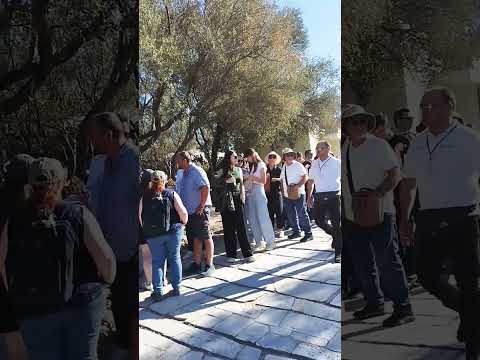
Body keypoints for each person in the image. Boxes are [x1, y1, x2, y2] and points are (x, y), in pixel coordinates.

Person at [1, 157, 116, 360]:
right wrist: (105, 284)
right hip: (81, 306)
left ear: (30, 184)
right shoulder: (78, 213)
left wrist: (17, 297)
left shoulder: (13, 222)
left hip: (34, 310)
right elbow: (107, 262)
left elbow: (2, 265)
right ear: (62, 183)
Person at [399, 87, 480, 358]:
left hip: (464, 216)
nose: (425, 111)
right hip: (429, 218)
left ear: (448, 107)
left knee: (469, 281)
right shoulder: (418, 142)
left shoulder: (470, 139)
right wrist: (404, 218)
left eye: (431, 106)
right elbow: (408, 184)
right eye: (423, 106)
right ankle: (471, 314)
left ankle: (473, 342)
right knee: (427, 276)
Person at [341, 104, 414, 327]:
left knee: (388, 262)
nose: (360, 125)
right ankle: (375, 302)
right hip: (353, 214)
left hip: (381, 212)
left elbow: (396, 174)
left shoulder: (378, 145)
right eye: (354, 122)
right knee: (363, 262)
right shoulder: (345, 147)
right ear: (345, 127)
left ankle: (403, 307)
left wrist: (378, 193)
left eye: (363, 121)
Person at [84, 112, 140, 360]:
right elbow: (92, 198)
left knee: (131, 306)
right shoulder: (97, 164)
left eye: (94, 137)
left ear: (108, 134)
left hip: (130, 249)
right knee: (118, 301)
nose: (92, 142)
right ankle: (123, 344)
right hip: (106, 249)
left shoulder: (135, 161)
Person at [140, 171, 188, 300]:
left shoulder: (144, 197)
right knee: (174, 257)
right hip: (173, 231)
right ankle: (177, 287)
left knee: (157, 262)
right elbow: (183, 213)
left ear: (151, 180)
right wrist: (183, 223)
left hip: (153, 235)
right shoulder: (171, 194)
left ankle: (158, 291)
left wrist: (147, 230)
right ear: (165, 180)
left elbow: (140, 217)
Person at [175, 151, 215, 276]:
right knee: (196, 238)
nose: (177, 163)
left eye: (179, 160)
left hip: (200, 210)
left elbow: (205, 187)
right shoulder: (183, 173)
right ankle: (197, 264)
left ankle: (209, 265)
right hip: (190, 212)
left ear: (185, 161)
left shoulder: (196, 171)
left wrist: (201, 206)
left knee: (206, 237)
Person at [214, 150, 254, 263]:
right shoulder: (221, 170)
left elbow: (241, 184)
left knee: (241, 227)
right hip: (226, 201)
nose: (237, 159)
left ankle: (247, 253)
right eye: (235, 157)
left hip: (237, 199)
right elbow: (215, 182)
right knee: (228, 228)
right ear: (228, 158)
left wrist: (243, 196)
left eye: (238, 157)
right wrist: (224, 181)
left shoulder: (239, 170)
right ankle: (231, 255)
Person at [307, 141, 341, 263]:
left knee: (336, 223)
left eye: (321, 148)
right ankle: (337, 236)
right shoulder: (314, 163)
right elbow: (310, 181)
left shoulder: (337, 163)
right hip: (319, 196)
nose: (318, 150)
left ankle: (339, 252)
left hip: (334, 195)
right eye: (317, 148)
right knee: (318, 220)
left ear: (328, 149)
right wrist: (309, 196)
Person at [243, 148, 275, 251]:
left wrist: (251, 177)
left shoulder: (261, 165)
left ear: (252, 155)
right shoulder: (251, 166)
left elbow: (263, 181)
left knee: (263, 217)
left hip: (259, 192)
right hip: (250, 193)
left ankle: (270, 242)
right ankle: (259, 242)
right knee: (252, 219)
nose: (247, 159)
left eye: (248, 157)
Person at [280, 148, 313, 242]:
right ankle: (296, 231)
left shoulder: (298, 165)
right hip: (287, 195)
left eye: (291, 155)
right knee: (291, 214)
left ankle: (308, 233)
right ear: (284, 157)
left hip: (299, 193)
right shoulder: (284, 167)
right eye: (287, 155)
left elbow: (305, 177)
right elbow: (282, 180)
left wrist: (297, 186)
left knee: (302, 213)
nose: (290, 156)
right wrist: (283, 192)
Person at [265, 151, 284, 238]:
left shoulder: (279, 169)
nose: (272, 159)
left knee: (279, 212)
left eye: (274, 157)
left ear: (276, 159)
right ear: (268, 159)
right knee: (269, 213)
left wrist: (277, 179)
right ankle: (271, 230)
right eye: (270, 157)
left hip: (277, 193)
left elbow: (283, 179)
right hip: (267, 193)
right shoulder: (265, 169)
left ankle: (280, 230)